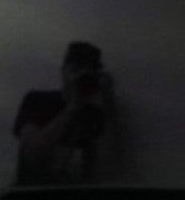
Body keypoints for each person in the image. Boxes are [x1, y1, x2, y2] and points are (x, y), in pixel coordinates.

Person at [13, 40, 114, 185]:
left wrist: (107, 98)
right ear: (63, 71)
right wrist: (72, 107)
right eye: (76, 69)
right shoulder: (37, 101)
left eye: (90, 72)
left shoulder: (95, 115)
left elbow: (106, 168)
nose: (81, 77)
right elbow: (32, 156)